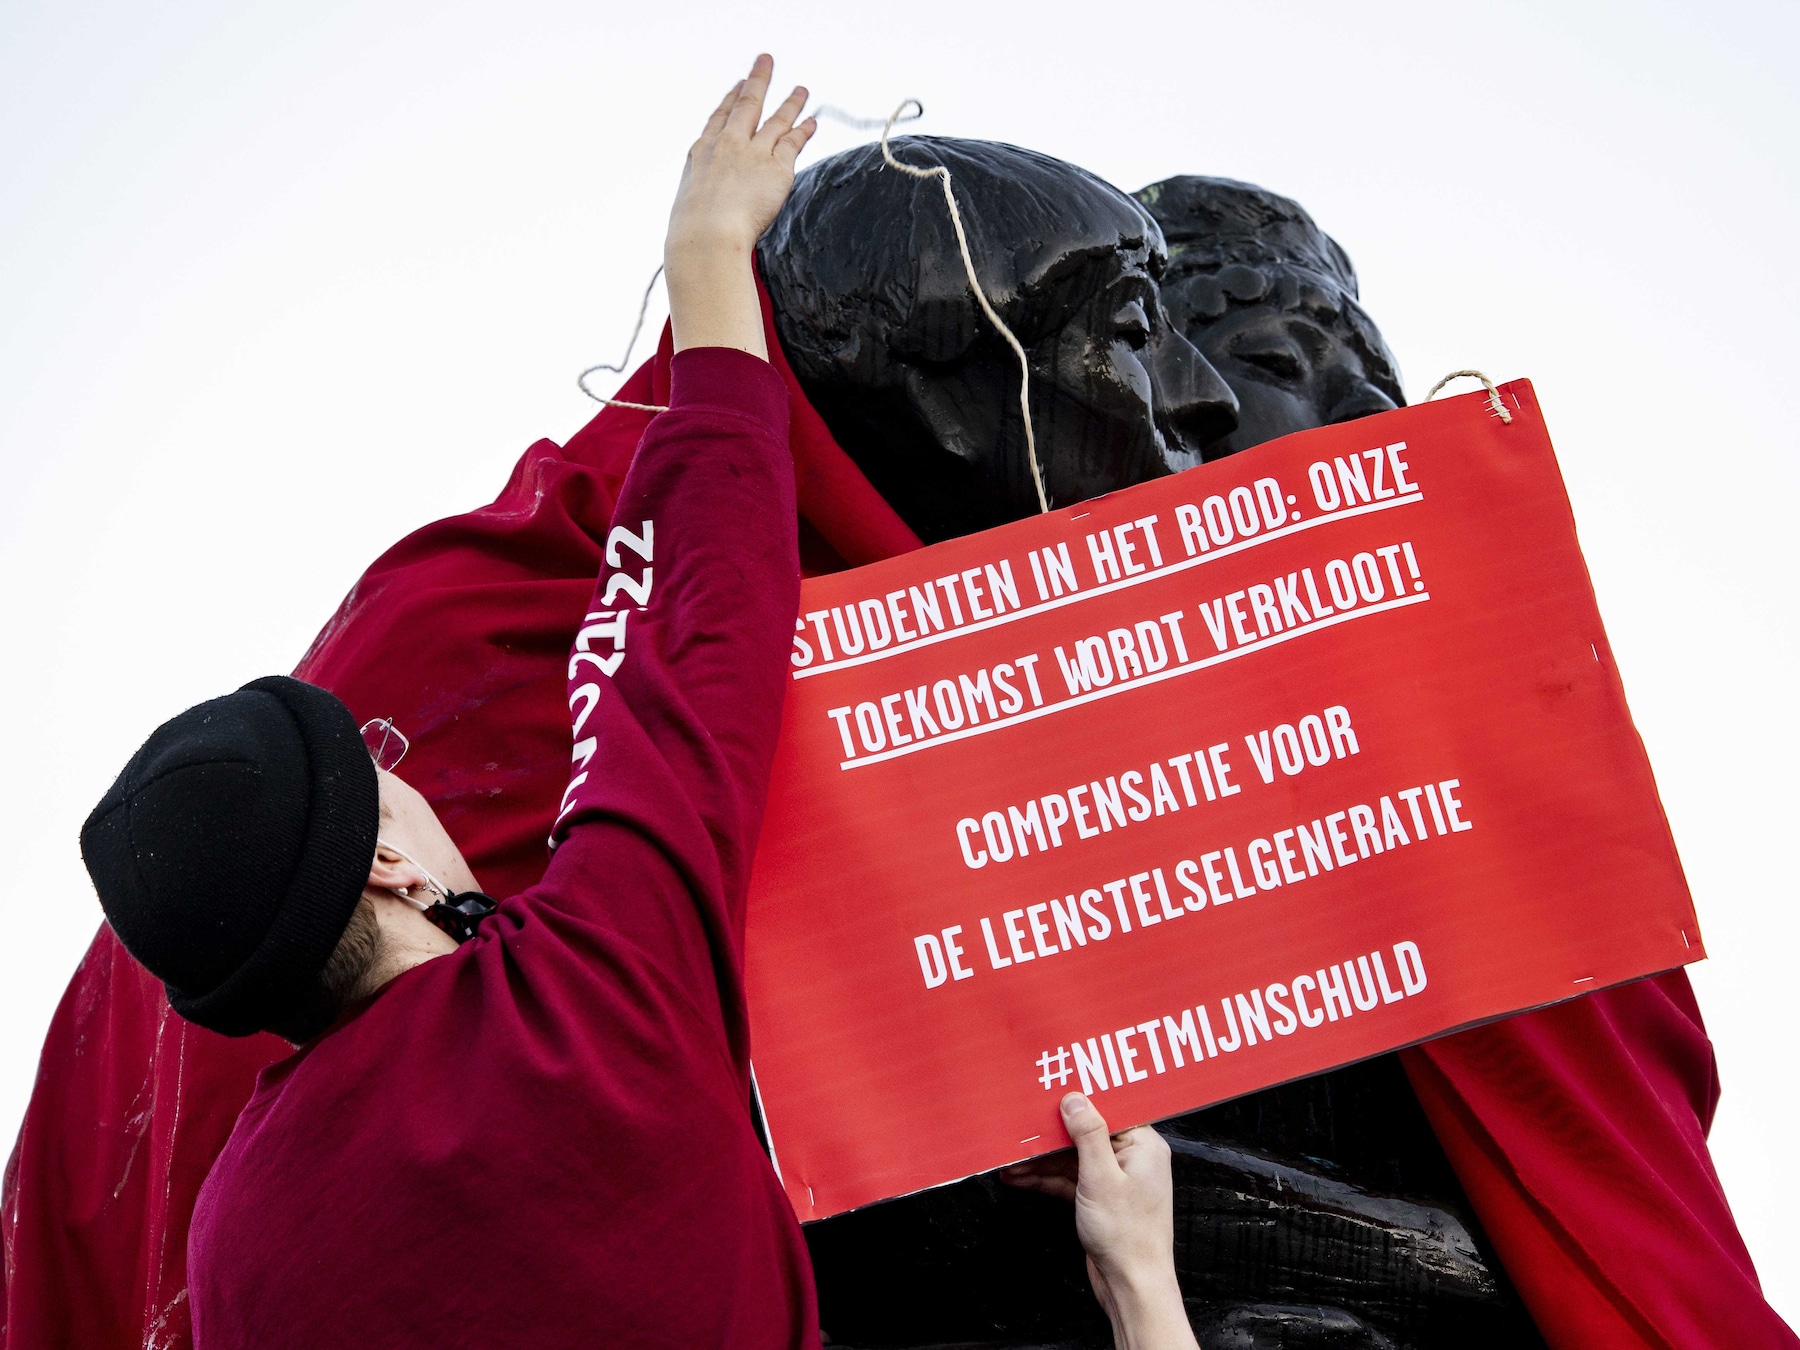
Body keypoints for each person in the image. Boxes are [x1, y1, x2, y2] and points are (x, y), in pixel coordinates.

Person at [78, 58, 825, 1347]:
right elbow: (705, 647)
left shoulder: (235, 1242)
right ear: (384, 860)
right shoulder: (593, 986)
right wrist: (710, 257)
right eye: (383, 765)